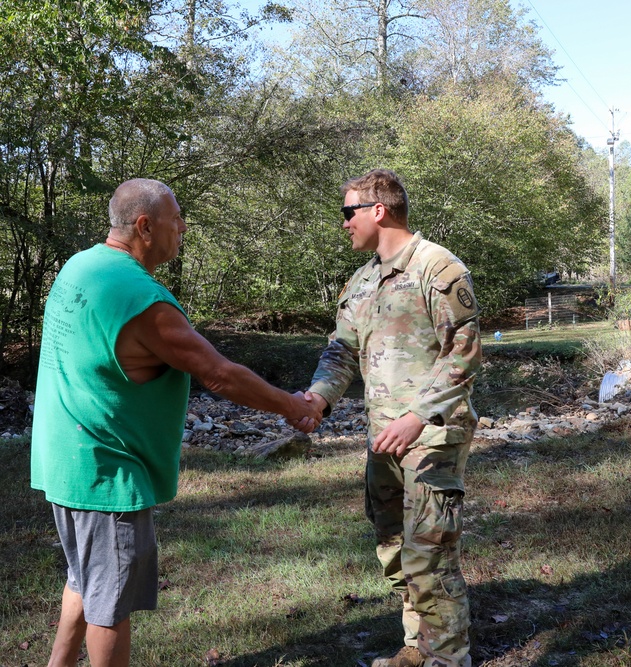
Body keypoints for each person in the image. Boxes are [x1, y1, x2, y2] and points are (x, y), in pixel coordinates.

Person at [30, 178, 323, 667]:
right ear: (145, 226)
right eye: (176, 219)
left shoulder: (81, 266)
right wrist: (294, 406)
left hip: (64, 458)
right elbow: (220, 375)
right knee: (110, 603)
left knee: (85, 579)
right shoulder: (142, 300)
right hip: (107, 473)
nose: (183, 228)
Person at [306, 169, 481, 667]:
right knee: (393, 548)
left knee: (430, 553)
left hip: (433, 435)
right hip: (383, 438)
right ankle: (417, 645)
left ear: (377, 211)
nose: (344, 224)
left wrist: (416, 416)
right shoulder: (361, 281)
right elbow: (340, 351)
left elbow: (463, 355)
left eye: (348, 213)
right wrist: (317, 399)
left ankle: (448, 658)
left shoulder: (438, 268)